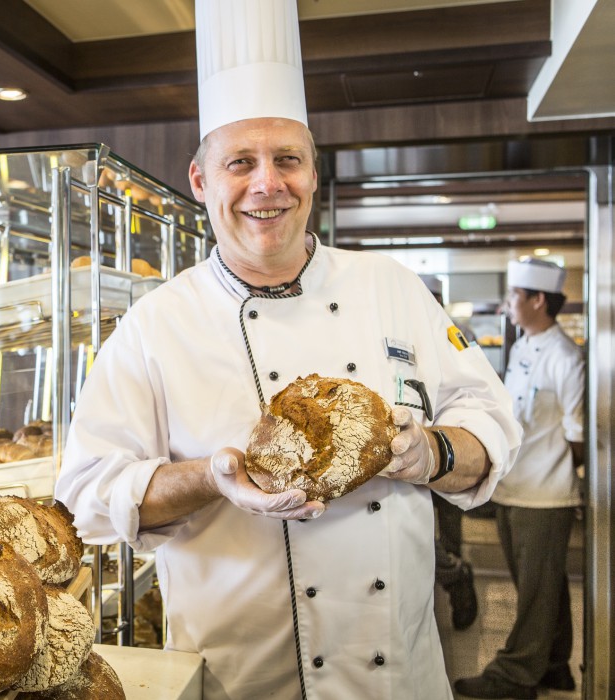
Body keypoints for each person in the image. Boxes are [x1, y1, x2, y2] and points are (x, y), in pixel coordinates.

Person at [55, 3, 521, 698]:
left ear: (312, 172)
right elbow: (87, 498)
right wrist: (212, 479)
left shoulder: (392, 287)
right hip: (239, 683)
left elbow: (493, 420)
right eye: (241, 162)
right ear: (201, 182)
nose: (267, 184)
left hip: (399, 680)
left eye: (287, 160)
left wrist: (433, 453)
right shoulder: (156, 325)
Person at [455, 259, 584, 699]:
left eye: (515, 296)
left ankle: (515, 675)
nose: (508, 305)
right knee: (543, 587)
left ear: (537, 300)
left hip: (546, 496)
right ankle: (554, 666)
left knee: (536, 591)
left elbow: (578, 435)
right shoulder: (523, 346)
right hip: (515, 488)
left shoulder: (566, 357)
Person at [421, 274, 479, 631]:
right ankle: (453, 576)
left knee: (448, 533)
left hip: (453, 449)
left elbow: (474, 394)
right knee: (426, 538)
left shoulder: (456, 337)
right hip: (416, 452)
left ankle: (455, 577)